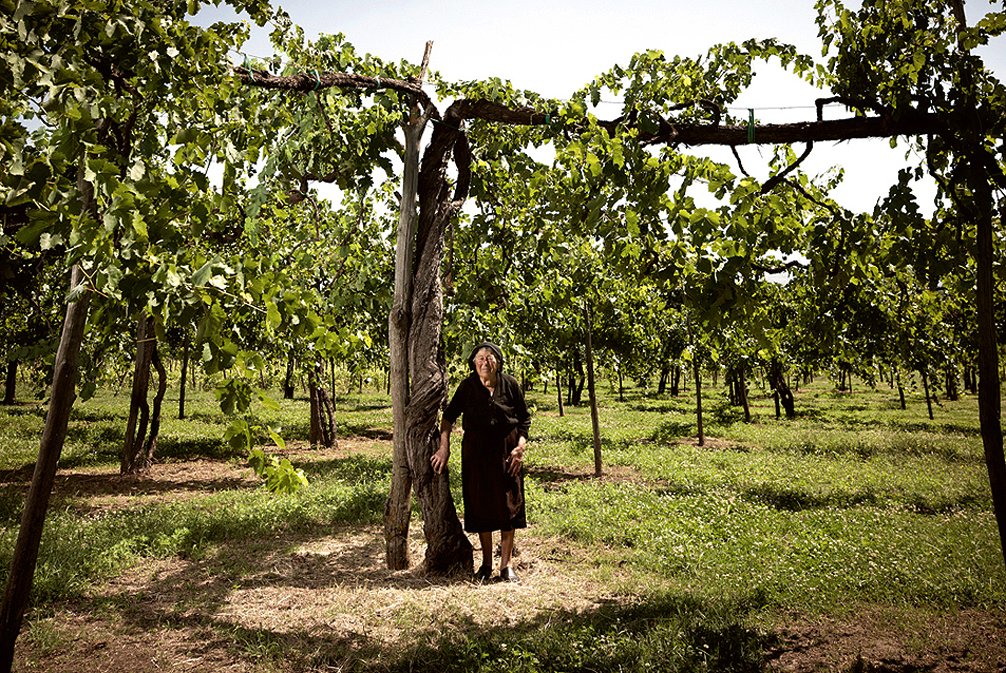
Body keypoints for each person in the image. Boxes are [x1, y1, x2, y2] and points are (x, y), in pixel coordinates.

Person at [431, 342, 531, 583]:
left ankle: (505, 566)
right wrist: (444, 447)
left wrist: (520, 447)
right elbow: (448, 417)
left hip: (508, 453)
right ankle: (486, 564)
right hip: (476, 455)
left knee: (509, 505)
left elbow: (524, 419)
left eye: (489, 357)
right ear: (473, 363)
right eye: (480, 358)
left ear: (498, 361)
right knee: (481, 504)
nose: (484, 362)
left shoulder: (510, 385)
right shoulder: (467, 387)